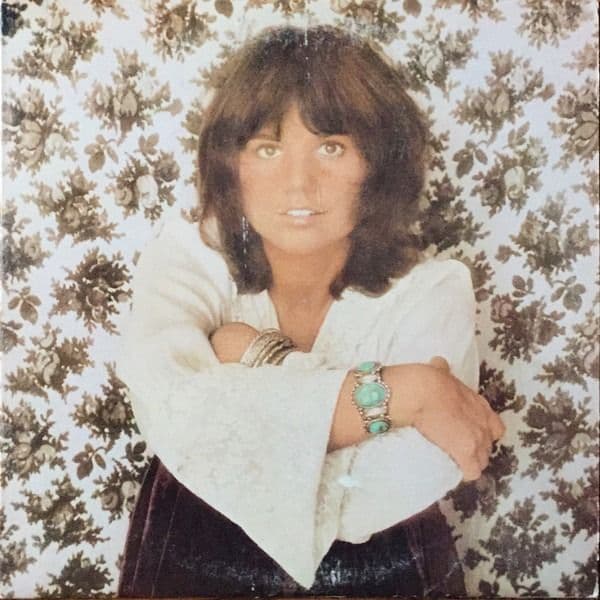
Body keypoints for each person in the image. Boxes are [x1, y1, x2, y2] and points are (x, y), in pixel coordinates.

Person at [116, 25, 505, 597]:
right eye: (267, 149)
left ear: (377, 164)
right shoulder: (186, 258)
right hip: (190, 560)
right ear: (231, 165)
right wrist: (403, 394)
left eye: (331, 147)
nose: (298, 184)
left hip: (380, 572)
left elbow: (398, 484)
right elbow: (175, 409)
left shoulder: (434, 290)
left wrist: (258, 357)